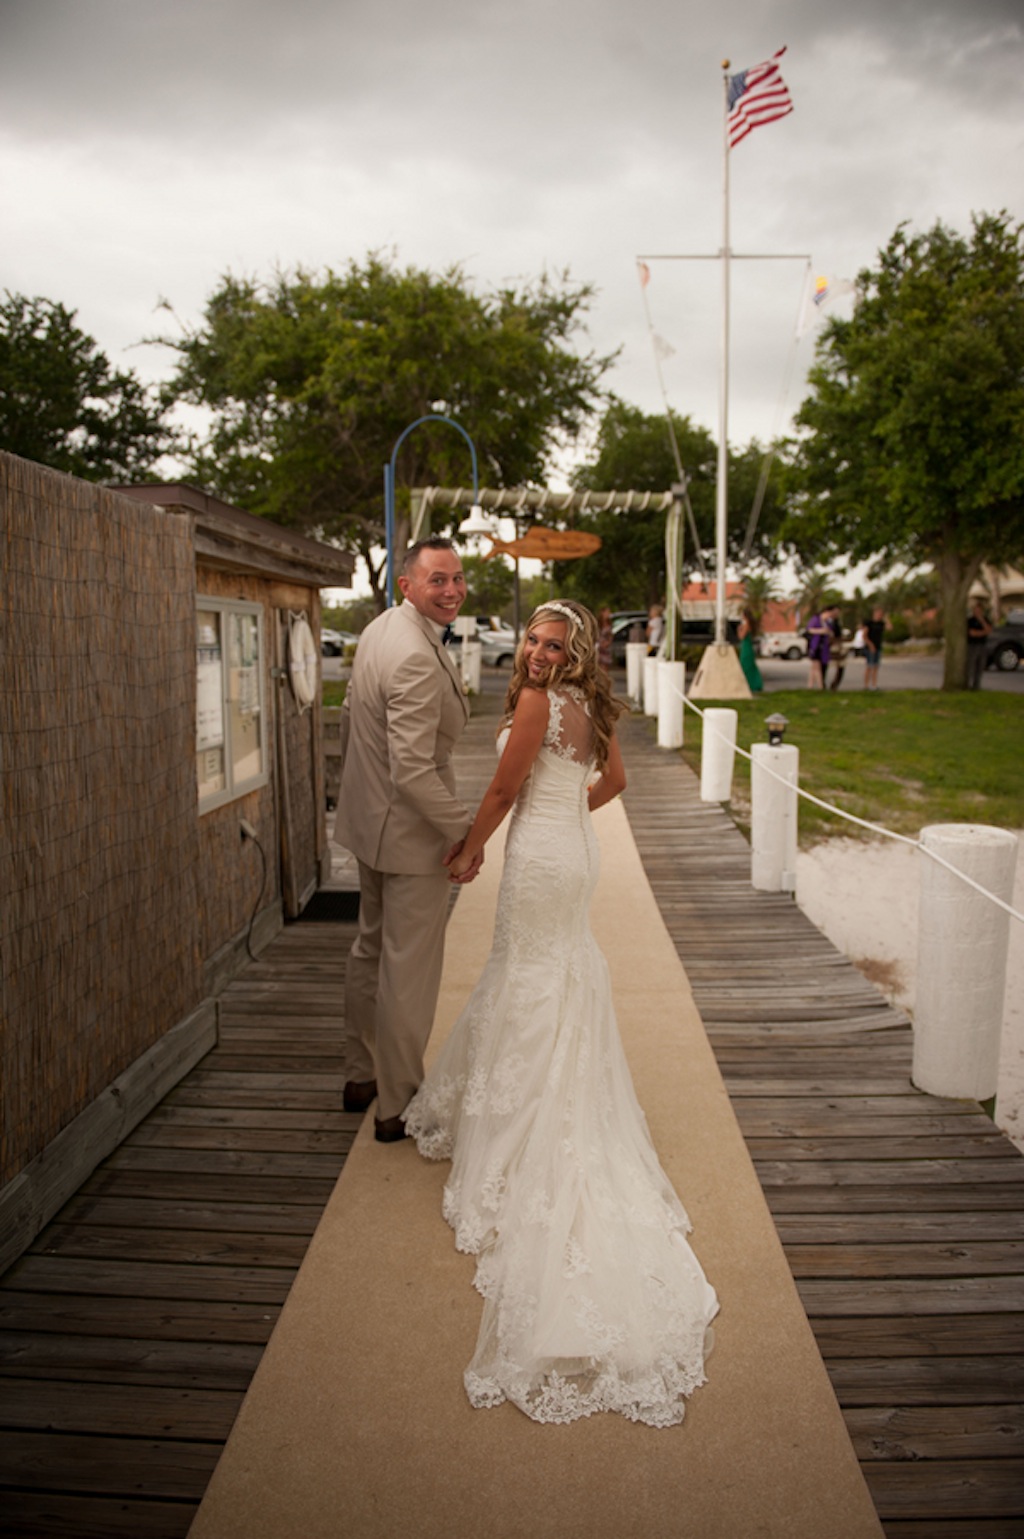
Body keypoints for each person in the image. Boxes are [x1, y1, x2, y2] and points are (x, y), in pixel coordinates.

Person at [404, 600, 718, 1426]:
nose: (541, 653)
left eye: (554, 643)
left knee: (526, 975)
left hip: (542, 859)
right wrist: (564, 816)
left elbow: (507, 788)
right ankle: (548, 1090)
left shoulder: (540, 703)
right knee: (551, 975)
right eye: (535, 641)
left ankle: (524, 1120)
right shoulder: (589, 705)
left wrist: (470, 847)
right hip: (573, 855)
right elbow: (609, 781)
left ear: (574, 650)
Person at [336, 537, 483, 1143]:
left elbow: (351, 709)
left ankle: (360, 1076)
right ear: (407, 585)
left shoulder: (379, 630)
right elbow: (415, 770)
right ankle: (396, 1105)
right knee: (408, 972)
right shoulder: (417, 657)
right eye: (436, 580)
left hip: (369, 822)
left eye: (457, 578)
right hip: (409, 834)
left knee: (369, 951)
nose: (450, 590)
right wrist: (466, 834)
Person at [967, 598, 992, 689]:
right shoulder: (970, 621)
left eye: (979, 610)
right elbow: (972, 633)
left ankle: (977, 685)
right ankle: (969, 684)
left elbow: (989, 630)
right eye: (975, 610)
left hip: (983, 645)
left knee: (980, 666)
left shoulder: (985, 620)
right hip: (972, 646)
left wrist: (982, 621)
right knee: (971, 666)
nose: (977, 611)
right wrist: (983, 632)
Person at [738, 607, 763, 692]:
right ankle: (754, 683)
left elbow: (742, 636)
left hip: (746, 647)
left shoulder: (746, 624)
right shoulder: (749, 624)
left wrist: (739, 629)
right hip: (747, 646)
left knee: (746, 666)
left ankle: (751, 684)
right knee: (749, 666)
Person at [805, 609, 830, 689]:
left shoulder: (825, 622)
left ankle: (810, 685)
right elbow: (809, 629)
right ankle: (820, 685)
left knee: (814, 668)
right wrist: (821, 631)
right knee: (816, 667)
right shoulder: (816, 619)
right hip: (815, 646)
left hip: (822, 646)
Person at [864, 606, 886, 691]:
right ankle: (866, 685)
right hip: (870, 647)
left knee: (876, 666)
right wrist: (870, 645)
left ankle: (874, 685)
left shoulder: (881, 624)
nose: (880, 615)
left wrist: (886, 619)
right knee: (869, 666)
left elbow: (890, 627)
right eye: (878, 613)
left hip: (878, 646)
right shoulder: (869, 623)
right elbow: (864, 636)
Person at [828, 607, 847, 690]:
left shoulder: (837, 622)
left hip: (839, 645)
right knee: (830, 664)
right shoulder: (828, 622)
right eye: (835, 612)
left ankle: (835, 684)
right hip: (832, 646)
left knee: (841, 665)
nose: (837, 614)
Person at [596, 605, 613, 672]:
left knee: (605, 667)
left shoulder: (609, 623)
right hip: (598, 647)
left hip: (606, 648)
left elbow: (610, 635)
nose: (608, 614)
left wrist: (608, 642)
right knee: (598, 667)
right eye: (607, 612)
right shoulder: (598, 623)